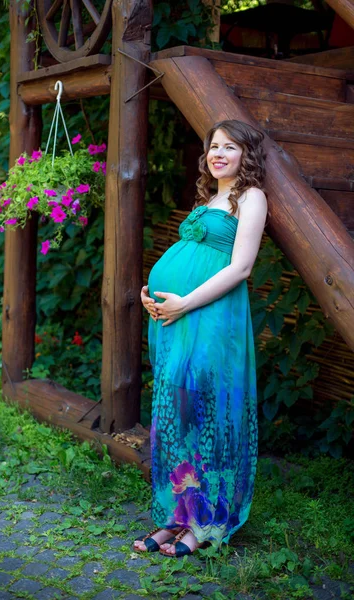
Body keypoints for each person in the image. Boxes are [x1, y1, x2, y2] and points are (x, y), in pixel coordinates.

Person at [134, 119, 268, 557]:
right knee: (178, 411)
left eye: (230, 147)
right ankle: (177, 517)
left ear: (246, 155)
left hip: (211, 318)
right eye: (214, 147)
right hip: (178, 319)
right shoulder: (209, 198)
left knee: (209, 414)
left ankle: (206, 523)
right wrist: (154, 297)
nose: (219, 154)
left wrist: (183, 302)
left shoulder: (251, 198)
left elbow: (241, 267)